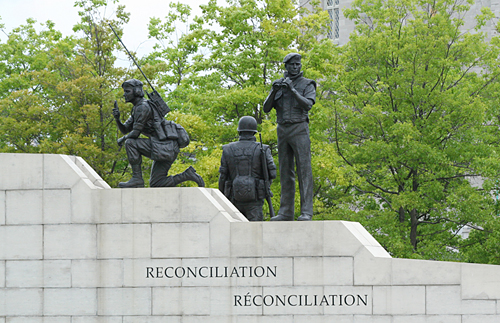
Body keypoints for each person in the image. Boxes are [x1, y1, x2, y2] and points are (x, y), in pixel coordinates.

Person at [112, 79, 204, 188]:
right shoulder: (137, 108)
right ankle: (186, 175)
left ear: (136, 91)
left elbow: (135, 133)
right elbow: (126, 129)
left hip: (165, 147)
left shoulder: (143, 107)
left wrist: (122, 140)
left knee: (130, 143)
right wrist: (117, 119)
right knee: (157, 183)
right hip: (165, 147)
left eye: (127, 91)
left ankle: (137, 178)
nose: (124, 94)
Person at [262, 53, 316, 221]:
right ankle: (286, 212)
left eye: (297, 64)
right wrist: (273, 90)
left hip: (299, 127)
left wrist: (292, 90)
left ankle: (306, 212)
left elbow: (308, 104)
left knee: (304, 170)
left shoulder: (307, 84)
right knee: (285, 171)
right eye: (291, 64)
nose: (295, 67)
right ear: (285, 66)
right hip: (282, 129)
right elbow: (265, 108)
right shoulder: (279, 84)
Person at [218, 116, 277, 221]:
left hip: (233, 198)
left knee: (233, 231)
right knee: (256, 232)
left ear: (239, 131)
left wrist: (222, 198)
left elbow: (223, 176)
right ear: (254, 132)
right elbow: (272, 174)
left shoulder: (227, 149)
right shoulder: (263, 149)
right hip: (255, 200)